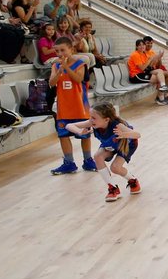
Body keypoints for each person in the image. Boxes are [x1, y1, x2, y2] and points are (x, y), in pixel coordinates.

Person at [67, 103, 141, 203]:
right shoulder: (92, 123)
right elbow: (69, 125)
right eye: (90, 117)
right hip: (110, 144)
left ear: (106, 119)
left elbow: (137, 134)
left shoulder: (117, 125)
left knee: (115, 168)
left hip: (127, 144)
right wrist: (79, 132)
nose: (91, 120)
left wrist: (123, 134)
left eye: (93, 117)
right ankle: (113, 188)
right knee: (97, 156)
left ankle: (133, 180)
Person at [49, 37, 96, 175]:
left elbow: (78, 79)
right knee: (63, 136)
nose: (60, 53)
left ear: (71, 49)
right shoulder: (55, 65)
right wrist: (59, 71)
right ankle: (69, 163)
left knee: (84, 136)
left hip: (80, 107)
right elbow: (52, 83)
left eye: (63, 50)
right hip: (63, 109)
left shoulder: (80, 63)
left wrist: (66, 67)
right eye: (57, 51)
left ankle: (88, 160)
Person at [128, 39, 168, 105]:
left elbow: (149, 66)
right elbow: (142, 68)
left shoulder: (143, 54)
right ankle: (160, 99)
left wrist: (158, 58)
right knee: (159, 78)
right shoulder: (135, 55)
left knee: (160, 72)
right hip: (136, 76)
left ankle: (163, 87)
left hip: (143, 73)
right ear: (136, 47)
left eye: (143, 44)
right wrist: (150, 59)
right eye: (139, 45)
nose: (142, 46)